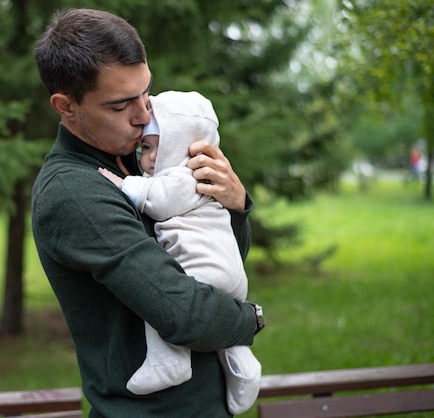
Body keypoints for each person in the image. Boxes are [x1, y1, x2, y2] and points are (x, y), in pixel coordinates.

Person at [32, 8, 264, 418]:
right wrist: (251, 319)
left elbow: (217, 262)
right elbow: (185, 315)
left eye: (146, 92)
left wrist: (234, 205)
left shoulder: (147, 158)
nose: (144, 115)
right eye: (121, 105)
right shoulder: (73, 193)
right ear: (66, 106)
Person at [98, 90, 261, 415]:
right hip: (227, 275)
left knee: (160, 299)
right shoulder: (72, 186)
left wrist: (124, 185)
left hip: (202, 270)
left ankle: (168, 360)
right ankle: (244, 365)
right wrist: (246, 322)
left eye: (158, 146)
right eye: (147, 147)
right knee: (173, 299)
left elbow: (159, 200)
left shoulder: (185, 176)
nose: (151, 158)